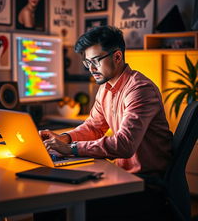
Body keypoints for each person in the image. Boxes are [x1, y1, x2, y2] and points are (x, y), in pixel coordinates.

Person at [36, 26, 173, 221]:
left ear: (117, 57)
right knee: (50, 197)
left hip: (145, 185)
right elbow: (94, 126)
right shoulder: (106, 88)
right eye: (86, 62)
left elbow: (124, 145)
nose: (90, 69)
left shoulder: (140, 89)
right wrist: (64, 138)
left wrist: (70, 148)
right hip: (122, 176)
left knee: (55, 207)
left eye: (95, 61)